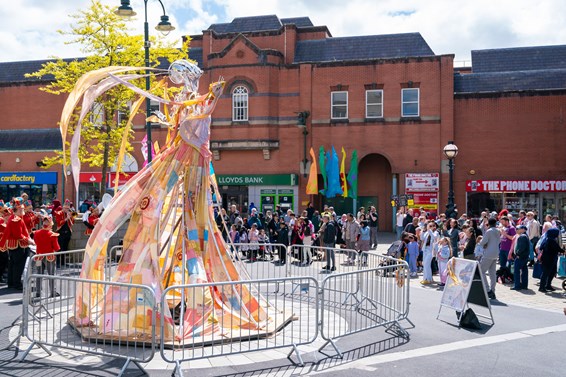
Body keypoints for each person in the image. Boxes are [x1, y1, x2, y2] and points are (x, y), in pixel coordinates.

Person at [0, 199, 34, 290]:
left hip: (12, 245)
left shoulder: (12, 217)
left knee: (12, 264)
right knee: (18, 265)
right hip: (18, 245)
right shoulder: (16, 219)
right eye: (22, 209)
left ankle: (11, 283)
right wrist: (29, 240)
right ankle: (17, 283)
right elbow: (18, 235)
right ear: (18, 210)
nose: (23, 211)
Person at [33, 216, 61, 298]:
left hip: (39, 256)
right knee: (51, 274)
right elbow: (56, 247)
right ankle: (52, 291)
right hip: (49, 256)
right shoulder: (52, 235)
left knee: (39, 274)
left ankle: (38, 292)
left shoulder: (36, 233)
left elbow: (36, 242)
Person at [479, 217, 501, 299]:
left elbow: (482, 242)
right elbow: (499, 241)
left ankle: (487, 290)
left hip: (488, 253)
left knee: (482, 271)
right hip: (496, 252)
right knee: (492, 273)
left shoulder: (488, 231)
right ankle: (493, 290)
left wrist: (483, 244)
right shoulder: (498, 231)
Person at [538, 228, 561, 293]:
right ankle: (542, 287)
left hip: (550, 258)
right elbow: (557, 248)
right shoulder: (551, 240)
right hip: (548, 259)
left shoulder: (548, 239)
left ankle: (548, 285)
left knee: (552, 272)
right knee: (546, 273)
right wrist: (563, 251)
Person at [511, 224, 529, 291]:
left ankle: (517, 286)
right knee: (524, 271)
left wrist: (517, 254)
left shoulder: (522, 237)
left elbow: (521, 247)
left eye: (518, 229)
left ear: (522, 229)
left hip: (521, 257)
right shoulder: (524, 236)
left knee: (517, 271)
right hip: (524, 256)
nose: (516, 230)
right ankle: (524, 285)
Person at [421, 220, 439, 285]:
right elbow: (421, 238)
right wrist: (423, 230)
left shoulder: (436, 233)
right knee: (426, 265)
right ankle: (428, 278)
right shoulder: (427, 232)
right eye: (430, 226)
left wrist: (429, 230)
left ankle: (428, 279)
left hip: (431, 250)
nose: (431, 227)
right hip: (425, 250)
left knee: (426, 264)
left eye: (433, 226)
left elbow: (434, 237)